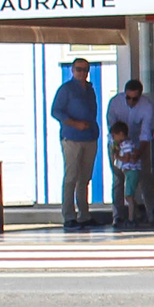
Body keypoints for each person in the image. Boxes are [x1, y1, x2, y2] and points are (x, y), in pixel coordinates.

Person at [50, 57, 100, 230]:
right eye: (78, 69)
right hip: (71, 137)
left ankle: (84, 214)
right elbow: (56, 111)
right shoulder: (66, 89)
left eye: (85, 70)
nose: (82, 73)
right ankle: (69, 216)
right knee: (71, 176)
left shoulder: (90, 90)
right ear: (72, 70)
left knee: (85, 178)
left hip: (90, 137)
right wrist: (74, 123)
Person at [106, 78, 154, 226]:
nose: (131, 101)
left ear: (140, 96)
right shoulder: (115, 103)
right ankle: (118, 216)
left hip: (139, 143)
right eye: (128, 97)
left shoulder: (146, 106)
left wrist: (137, 153)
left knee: (145, 179)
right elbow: (112, 129)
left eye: (135, 98)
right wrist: (119, 151)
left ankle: (150, 214)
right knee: (118, 180)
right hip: (117, 143)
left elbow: (146, 133)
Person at [108, 120, 143, 228]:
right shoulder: (124, 144)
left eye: (114, 136)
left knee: (129, 196)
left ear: (121, 134)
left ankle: (131, 218)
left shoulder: (126, 144)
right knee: (129, 196)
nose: (113, 138)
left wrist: (117, 156)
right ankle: (138, 214)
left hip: (131, 171)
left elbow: (127, 158)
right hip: (128, 172)